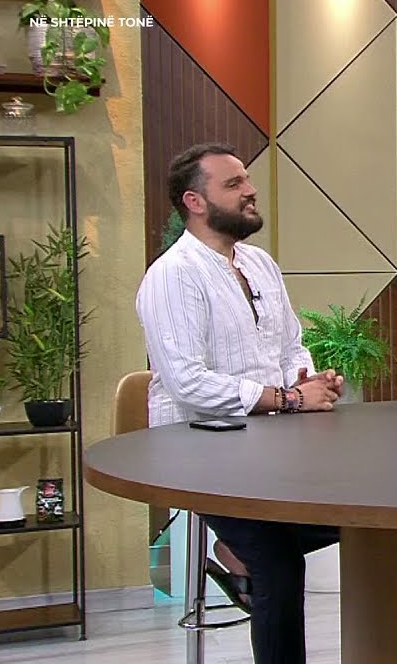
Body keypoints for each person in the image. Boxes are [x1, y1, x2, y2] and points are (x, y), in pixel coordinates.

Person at [136, 142, 342, 664]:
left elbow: (291, 344)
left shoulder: (259, 264)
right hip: (200, 449)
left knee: (368, 515)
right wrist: (287, 399)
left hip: (271, 442)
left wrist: (308, 382)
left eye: (246, 180)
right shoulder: (173, 275)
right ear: (195, 202)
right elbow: (188, 383)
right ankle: (247, 548)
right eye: (233, 184)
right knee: (277, 562)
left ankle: (235, 548)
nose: (250, 190)